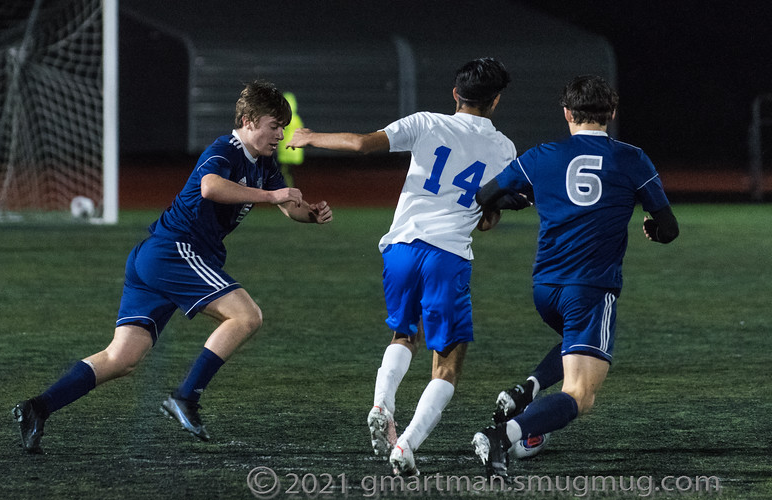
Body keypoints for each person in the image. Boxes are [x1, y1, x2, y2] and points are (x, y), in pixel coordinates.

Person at [12, 80, 333, 454]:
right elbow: (211, 187)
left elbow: (288, 206)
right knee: (246, 317)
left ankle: (37, 408)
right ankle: (186, 398)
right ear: (247, 121)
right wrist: (270, 195)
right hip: (176, 251)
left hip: (156, 258)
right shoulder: (225, 149)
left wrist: (310, 214)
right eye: (273, 125)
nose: (280, 133)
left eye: (282, 126)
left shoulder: (263, 162)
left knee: (122, 358)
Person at [287, 57, 522, 475]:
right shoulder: (504, 149)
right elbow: (486, 219)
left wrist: (309, 137)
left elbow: (360, 144)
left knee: (403, 332)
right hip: (446, 255)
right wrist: (496, 210)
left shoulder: (427, 122)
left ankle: (382, 403)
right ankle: (407, 445)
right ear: (496, 101)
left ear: (456, 94)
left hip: (400, 247)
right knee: (448, 361)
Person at [471, 75, 679, 477]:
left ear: (567, 113)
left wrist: (515, 203)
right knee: (580, 395)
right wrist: (654, 230)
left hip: (545, 288)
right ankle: (505, 434)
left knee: (572, 345)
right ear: (612, 114)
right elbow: (669, 228)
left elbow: (488, 195)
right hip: (590, 289)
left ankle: (527, 391)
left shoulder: (542, 155)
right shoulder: (632, 158)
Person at [276, 91, 305, 187]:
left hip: (286, 150)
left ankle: (288, 191)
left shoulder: (284, 119)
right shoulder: (297, 118)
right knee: (290, 172)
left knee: (284, 172)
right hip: (296, 151)